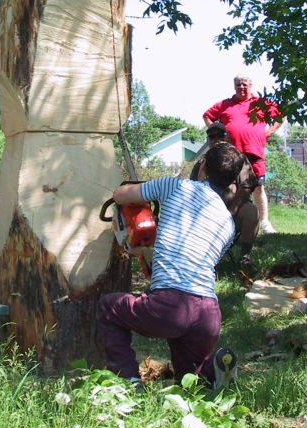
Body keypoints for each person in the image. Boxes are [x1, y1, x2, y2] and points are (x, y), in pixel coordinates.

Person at [97, 142, 244, 389]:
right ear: (232, 182)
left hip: (172, 306)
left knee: (109, 308)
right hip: (208, 314)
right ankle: (212, 371)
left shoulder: (175, 186)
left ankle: (128, 381)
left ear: (203, 166)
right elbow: (196, 258)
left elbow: (121, 195)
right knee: (189, 380)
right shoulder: (229, 224)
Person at [203, 74, 282, 234]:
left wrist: (271, 130)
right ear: (234, 87)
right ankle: (229, 222)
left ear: (250, 86)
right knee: (231, 187)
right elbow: (207, 115)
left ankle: (265, 222)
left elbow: (280, 115)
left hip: (255, 152)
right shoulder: (225, 104)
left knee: (258, 187)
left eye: (245, 84)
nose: (241, 87)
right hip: (232, 155)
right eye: (238, 85)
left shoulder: (260, 104)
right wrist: (217, 132)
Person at [190, 121, 260, 266]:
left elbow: (247, 187)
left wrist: (230, 212)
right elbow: (192, 190)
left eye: (220, 135)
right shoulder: (201, 163)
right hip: (205, 218)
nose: (216, 139)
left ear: (226, 138)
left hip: (232, 213)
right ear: (208, 140)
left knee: (251, 211)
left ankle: (245, 258)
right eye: (211, 136)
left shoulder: (239, 159)